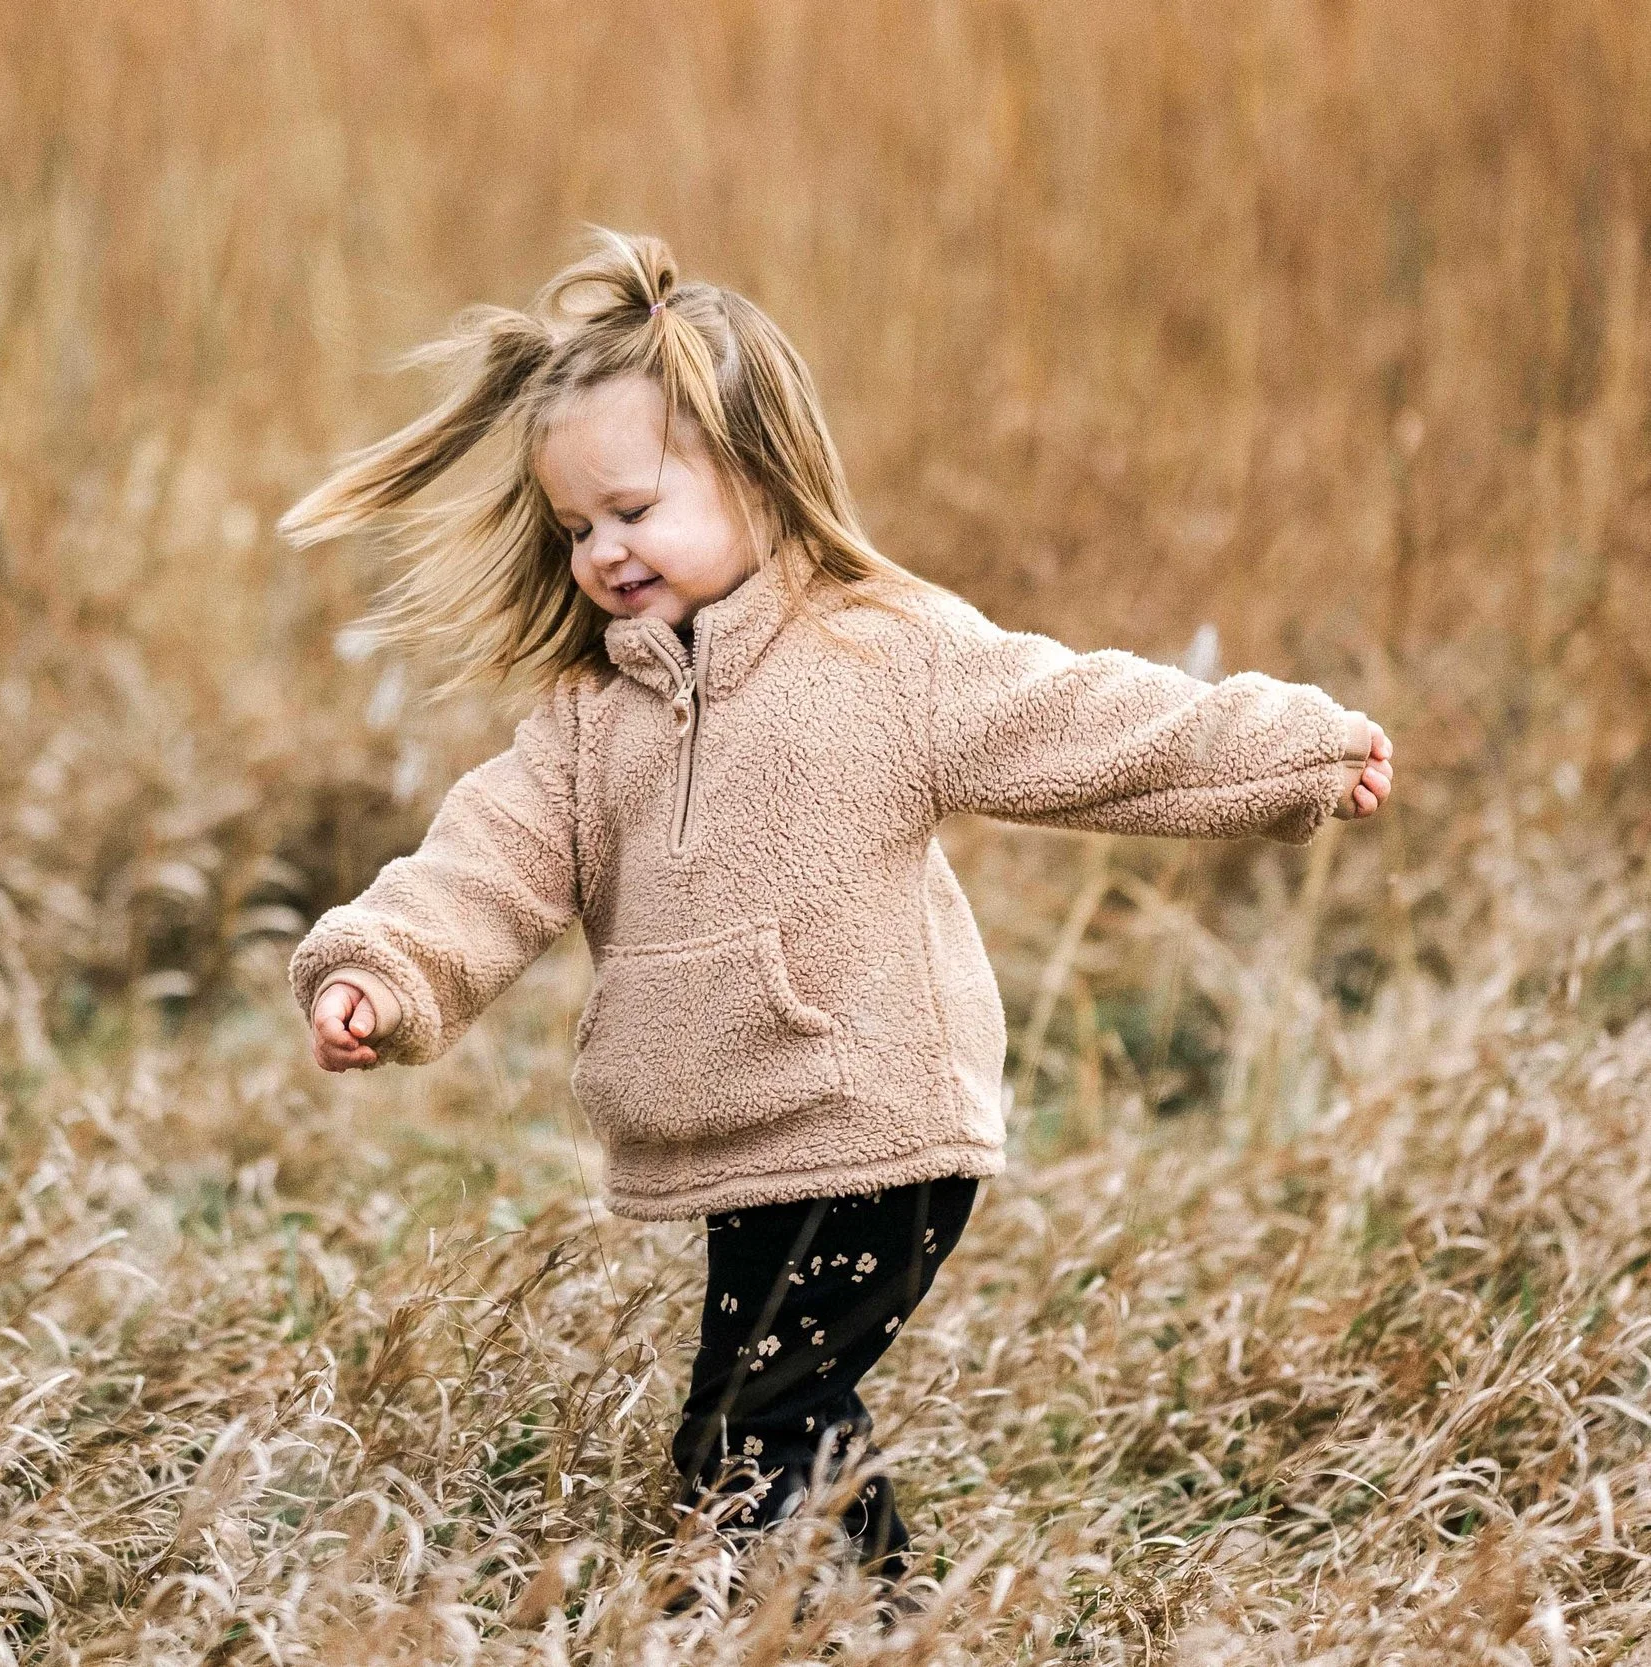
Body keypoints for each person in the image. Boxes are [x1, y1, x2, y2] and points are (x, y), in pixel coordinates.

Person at [278, 229, 1395, 1594]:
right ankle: (844, 1611)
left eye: (632, 508)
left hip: (873, 1118)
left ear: (756, 474)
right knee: (759, 1428)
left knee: (752, 1420)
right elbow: (489, 860)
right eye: (577, 526)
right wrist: (383, 967)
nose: (602, 549)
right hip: (740, 1131)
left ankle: (793, 1617)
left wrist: (1294, 749)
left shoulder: (883, 654)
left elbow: (1088, 719)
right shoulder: (589, 718)